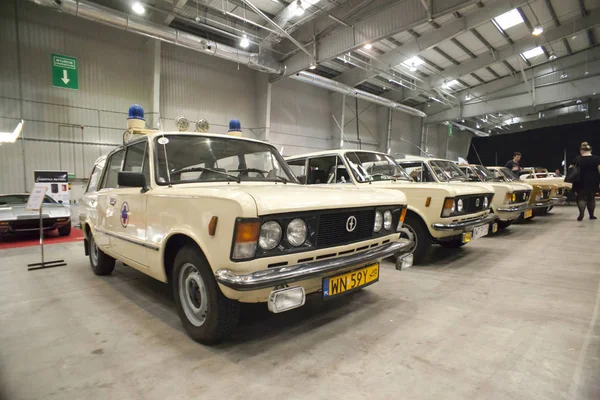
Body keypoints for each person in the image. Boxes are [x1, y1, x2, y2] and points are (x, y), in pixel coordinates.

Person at [572, 142, 600, 221]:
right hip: (593, 180)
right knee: (591, 198)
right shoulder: (597, 159)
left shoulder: (577, 159)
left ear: (581, 151)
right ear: (590, 150)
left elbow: (571, 168)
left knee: (581, 197)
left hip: (580, 180)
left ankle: (581, 213)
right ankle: (591, 215)